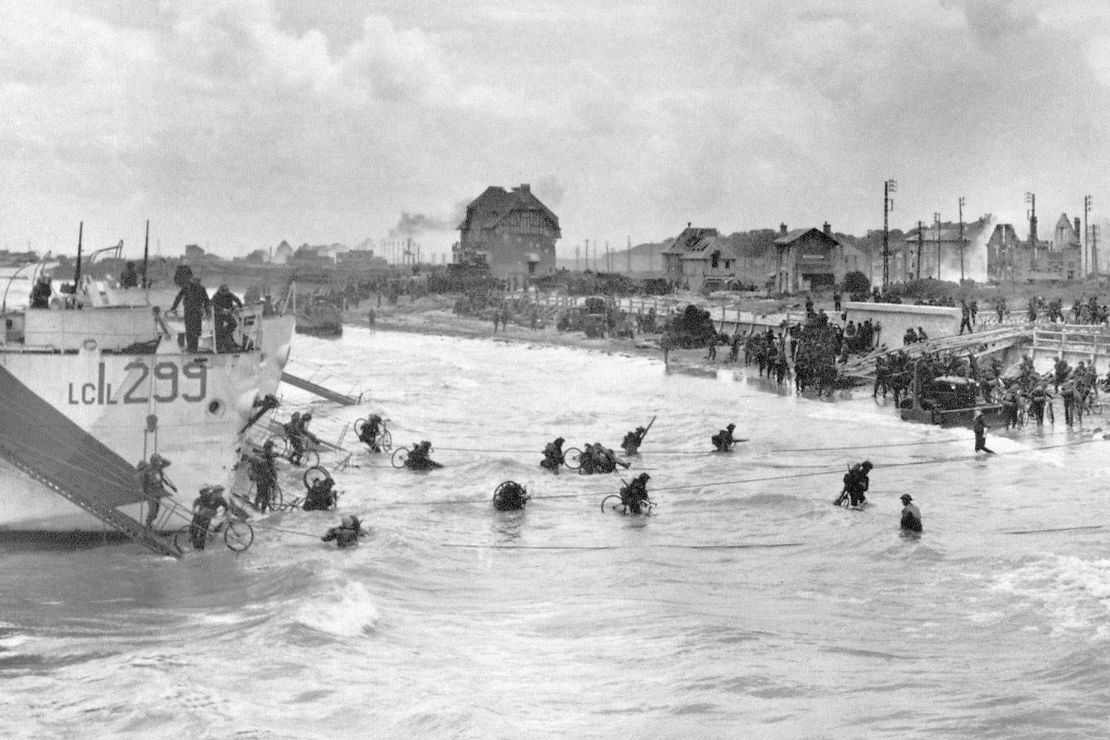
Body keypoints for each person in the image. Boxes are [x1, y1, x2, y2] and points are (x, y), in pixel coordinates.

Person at [169, 276, 211, 352]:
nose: (197, 283)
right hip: (192, 312)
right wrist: (208, 311)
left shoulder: (196, 288)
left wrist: (174, 307)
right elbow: (206, 301)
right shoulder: (195, 288)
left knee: (192, 330)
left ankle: (192, 347)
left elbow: (206, 300)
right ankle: (192, 347)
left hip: (193, 311)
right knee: (193, 330)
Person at [136, 453, 174, 528]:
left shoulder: (157, 468)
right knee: (152, 510)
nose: (158, 463)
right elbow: (139, 477)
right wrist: (141, 489)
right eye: (156, 461)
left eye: (158, 461)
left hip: (158, 492)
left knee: (156, 512)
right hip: (150, 493)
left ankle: (150, 523)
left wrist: (160, 458)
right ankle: (148, 524)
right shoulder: (146, 470)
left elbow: (168, 463)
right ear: (152, 461)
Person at [190, 484, 228, 550]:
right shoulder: (207, 495)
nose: (221, 494)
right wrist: (193, 510)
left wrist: (225, 514)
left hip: (208, 516)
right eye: (220, 493)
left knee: (203, 532)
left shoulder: (221, 499)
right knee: (193, 530)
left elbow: (227, 507)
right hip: (200, 513)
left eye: (222, 493)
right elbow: (196, 501)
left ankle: (200, 549)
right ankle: (195, 546)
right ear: (215, 492)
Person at [211, 284, 243, 353]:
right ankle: (219, 346)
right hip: (218, 315)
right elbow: (213, 305)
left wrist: (239, 307)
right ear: (220, 291)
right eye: (223, 291)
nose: (225, 293)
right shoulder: (216, 296)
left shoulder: (230, 295)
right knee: (218, 329)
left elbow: (237, 300)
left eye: (226, 291)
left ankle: (226, 334)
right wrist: (222, 309)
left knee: (233, 323)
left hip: (228, 313)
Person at [248, 440, 278, 512]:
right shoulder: (262, 457)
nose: (270, 450)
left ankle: (260, 509)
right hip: (263, 479)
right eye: (270, 448)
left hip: (266, 479)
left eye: (270, 448)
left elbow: (272, 467)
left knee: (264, 495)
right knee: (263, 495)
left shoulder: (268, 456)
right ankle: (259, 508)